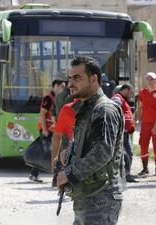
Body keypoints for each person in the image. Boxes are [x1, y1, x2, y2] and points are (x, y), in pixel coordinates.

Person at [57, 56, 124, 225]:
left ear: (94, 79)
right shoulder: (87, 108)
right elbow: (86, 143)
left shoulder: (104, 109)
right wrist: (69, 153)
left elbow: (103, 151)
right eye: (70, 78)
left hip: (100, 198)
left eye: (77, 78)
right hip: (88, 196)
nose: (71, 83)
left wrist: (70, 174)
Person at [29, 79, 65, 182]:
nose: (63, 89)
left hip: (52, 129)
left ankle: (35, 173)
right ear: (56, 86)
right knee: (45, 152)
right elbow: (42, 113)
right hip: (47, 129)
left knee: (48, 152)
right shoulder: (48, 98)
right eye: (62, 86)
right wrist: (44, 129)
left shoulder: (55, 97)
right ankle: (35, 174)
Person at [137, 72, 156, 177]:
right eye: (148, 79)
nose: (149, 81)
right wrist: (137, 120)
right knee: (143, 145)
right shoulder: (142, 92)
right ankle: (145, 168)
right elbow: (140, 107)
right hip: (145, 124)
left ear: (155, 80)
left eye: (151, 79)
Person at [112, 83, 138, 183]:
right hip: (120, 134)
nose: (130, 95)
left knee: (128, 153)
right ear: (125, 90)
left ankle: (126, 174)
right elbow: (114, 108)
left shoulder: (124, 100)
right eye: (130, 93)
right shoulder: (117, 98)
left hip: (125, 134)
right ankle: (121, 175)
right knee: (124, 154)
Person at [51, 99, 80, 187]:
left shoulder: (68, 108)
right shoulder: (102, 105)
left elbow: (57, 136)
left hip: (74, 155)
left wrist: (54, 158)